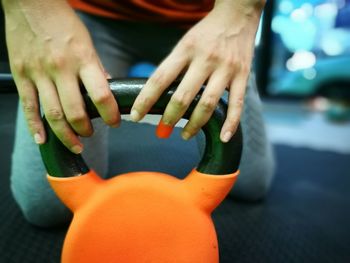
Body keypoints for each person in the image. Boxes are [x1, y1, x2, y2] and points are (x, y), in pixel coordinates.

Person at [2, 0, 275, 227]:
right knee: (47, 207)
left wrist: (241, 14)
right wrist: (28, 10)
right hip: (87, 16)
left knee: (249, 183)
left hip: (207, 21)